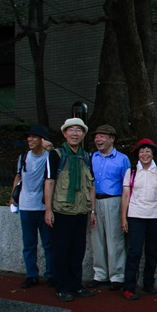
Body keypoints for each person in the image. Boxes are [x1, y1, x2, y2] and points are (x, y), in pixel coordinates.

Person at [44, 118, 96, 302]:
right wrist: (48, 210)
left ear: (83, 135)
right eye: (71, 130)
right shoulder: (56, 155)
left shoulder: (86, 157)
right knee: (61, 251)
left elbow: (91, 185)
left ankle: (76, 285)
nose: (75, 133)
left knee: (78, 251)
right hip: (61, 211)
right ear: (64, 133)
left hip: (81, 211)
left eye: (79, 130)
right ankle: (62, 287)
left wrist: (92, 211)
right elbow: (49, 182)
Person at [120, 138, 157, 300]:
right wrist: (123, 217)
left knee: (152, 252)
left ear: (153, 154)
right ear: (137, 154)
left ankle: (149, 283)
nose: (145, 154)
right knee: (134, 252)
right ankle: (129, 287)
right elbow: (125, 195)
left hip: (156, 216)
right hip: (135, 216)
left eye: (148, 151)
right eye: (141, 151)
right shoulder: (131, 172)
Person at [9, 124, 53, 289]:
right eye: (29, 137)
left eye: (34, 137)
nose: (30, 139)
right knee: (29, 244)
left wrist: (51, 146)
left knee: (48, 244)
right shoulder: (23, 157)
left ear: (42, 140)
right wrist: (13, 197)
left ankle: (51, 275)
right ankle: (31, 275)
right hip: (26, 207)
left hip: (43, 207)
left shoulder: (49, 156)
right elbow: (18, 176)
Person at [88, 125, 130, 291]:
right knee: (96, 239)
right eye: (96, 136)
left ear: (112, 139)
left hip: (114, 201)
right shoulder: (91, 157)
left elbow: (127, 185)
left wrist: (125, 209)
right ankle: (100, 274)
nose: (98, 139)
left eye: (103, 136)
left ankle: (117, 276)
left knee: (115, 239)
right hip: (94, 201)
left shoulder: (122, 159)